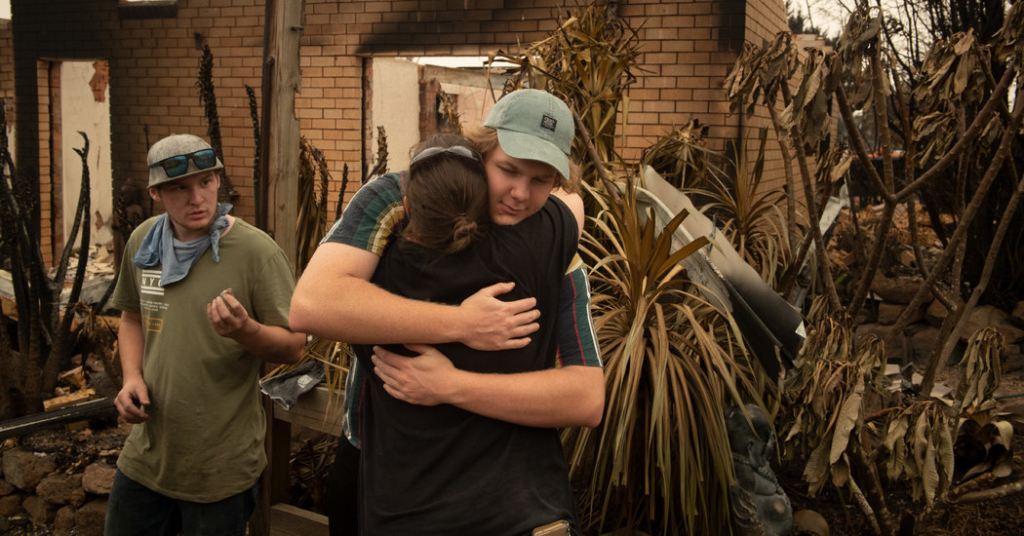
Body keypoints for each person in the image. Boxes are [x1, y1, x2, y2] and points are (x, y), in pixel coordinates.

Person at [291, 89, 604, 535]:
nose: (520, 194)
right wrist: (462, 323)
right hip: (378, 456)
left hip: (494, 496)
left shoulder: (551, 239)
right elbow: (311, 304)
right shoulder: (404, 199)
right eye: (508, 170)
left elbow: (587, 397)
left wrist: (450, 385)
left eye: (541, 180)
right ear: (480, 153)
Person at [105, 133, 306, 536]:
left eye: (205, 182)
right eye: (179, 188)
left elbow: (294, 348)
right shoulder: (144, 241)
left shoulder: (257, 252)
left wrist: (245, 331)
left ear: (218, 181)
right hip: (148, 454)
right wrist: (131, 377)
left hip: (219, 466)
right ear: (156, 193)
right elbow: (131, 318)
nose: (197, 198)